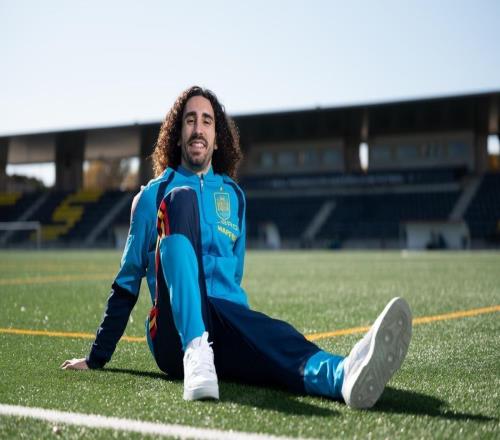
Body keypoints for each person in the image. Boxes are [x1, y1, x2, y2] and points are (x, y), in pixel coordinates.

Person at [61, 86, 412, 408]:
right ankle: (196, 351)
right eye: (190, 120)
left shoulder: (234, 196)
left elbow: (234, 277)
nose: (198, 128)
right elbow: (126, 284)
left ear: (217, 139)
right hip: (172, 337)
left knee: (275, 338)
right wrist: (96, 357)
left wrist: (243, 327)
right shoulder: (152, 196)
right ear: (177, 134)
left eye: (207, 121)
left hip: (225, 326)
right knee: (180, 200)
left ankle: (342, 375)